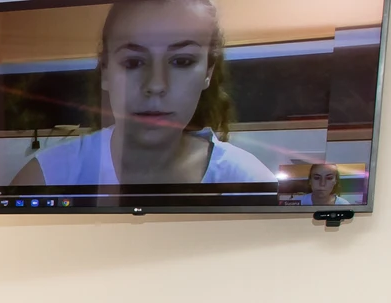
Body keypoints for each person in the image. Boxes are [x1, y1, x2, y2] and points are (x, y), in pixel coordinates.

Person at [14, 0, 273, 188]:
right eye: (133, 62)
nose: (156, 85)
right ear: (105, 71)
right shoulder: (47, 177)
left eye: (181, 61)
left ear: (208, 72)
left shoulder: (248, 180)